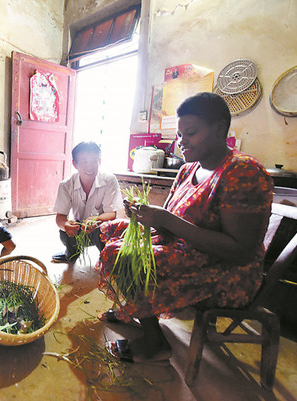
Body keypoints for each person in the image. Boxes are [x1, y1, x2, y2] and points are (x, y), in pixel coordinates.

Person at [96, 92, 273, 362]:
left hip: (227, 271)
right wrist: (145, 217)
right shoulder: (187, 170)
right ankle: (133, 307)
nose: (182, 142)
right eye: (180, 135)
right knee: (109, 231)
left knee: (128, 255)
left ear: (219, 129)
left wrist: (166, 220)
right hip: (185, 250)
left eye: (190, 132)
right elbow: (168, 225)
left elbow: (240, 251)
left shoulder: (241, 171)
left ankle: (155, 343)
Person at [52, 141, 123, 263]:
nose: (89, 166)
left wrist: (95, 220)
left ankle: (106, 259)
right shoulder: (66, 185)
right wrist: (66, 226)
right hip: (80, 228)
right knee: (64, 233)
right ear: (75, 164)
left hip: (100, 228)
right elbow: (60, 217)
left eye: (94, 160)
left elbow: (112, 214)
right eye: (84, 161)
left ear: (99, 162)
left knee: (100, 231)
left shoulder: (109, 180)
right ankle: (71, 254)